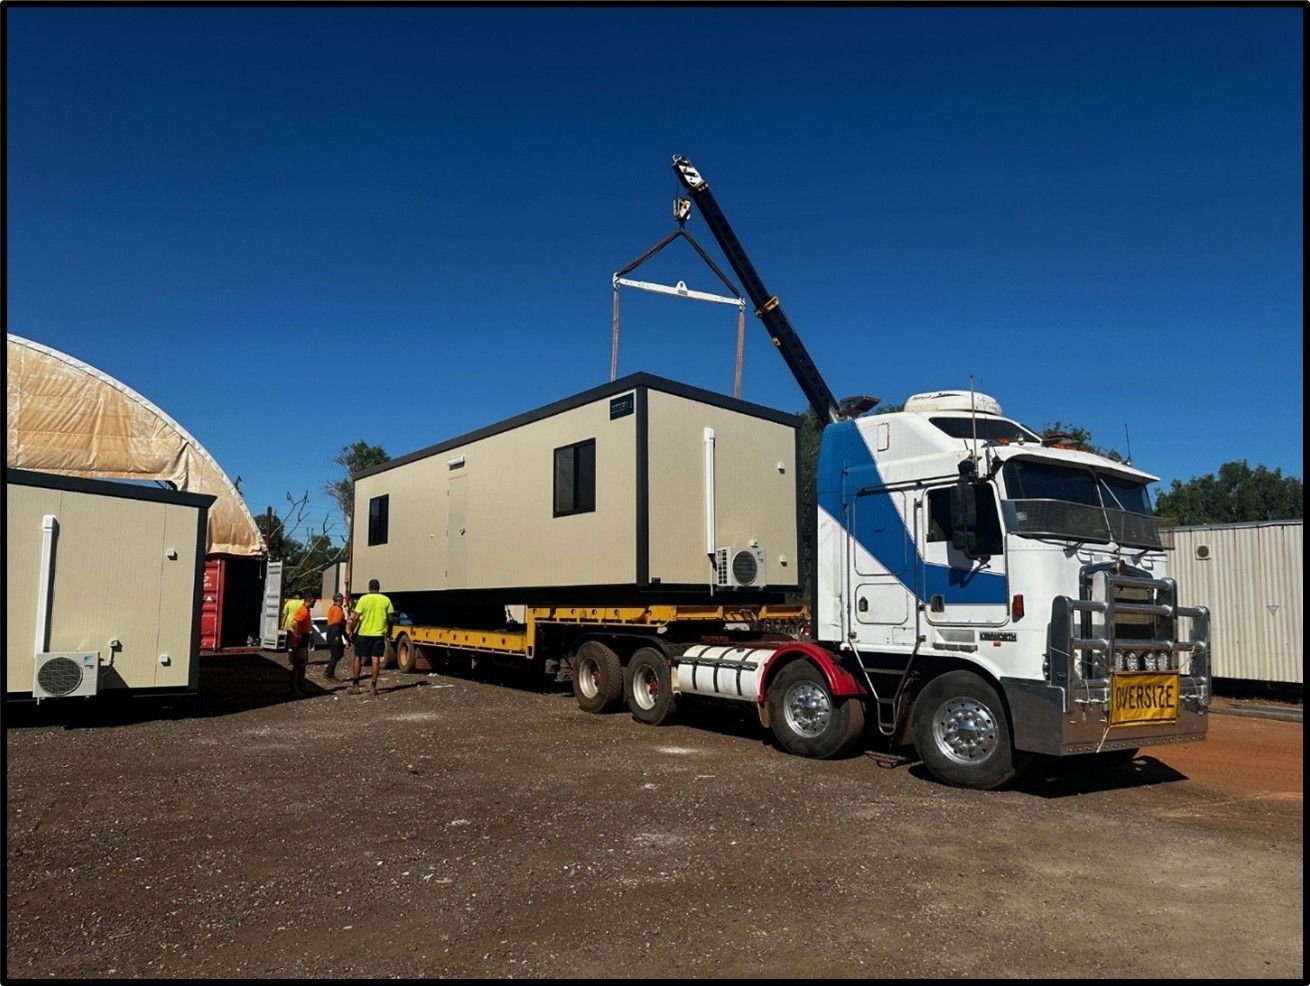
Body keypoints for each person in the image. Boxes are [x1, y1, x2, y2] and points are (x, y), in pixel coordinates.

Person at [348, 578, 395, 696]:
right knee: (375, 659)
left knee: (358, 657)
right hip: (378, 634)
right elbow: (391, 619)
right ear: (379, 588)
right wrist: (390, 631)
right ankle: (373, 687)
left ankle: (356, 685)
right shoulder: (386, 600)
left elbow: (356, 617)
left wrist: (351, 631)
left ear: (369, 588)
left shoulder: (363, 599)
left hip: (363, 633)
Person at [287, 594, 317, 697]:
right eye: (314, 602)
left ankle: (300, 686)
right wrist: (297, 635)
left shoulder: (306, 610)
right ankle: (295, 689)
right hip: (300, 640)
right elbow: (295, 623)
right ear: (311, 600)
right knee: (298, 665)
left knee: (302, 665)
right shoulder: (303, 610)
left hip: (303, 638)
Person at [324, 593, 347, 679]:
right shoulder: (337, 610)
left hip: (333, 633)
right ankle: (329, 674)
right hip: (334, 633)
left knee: (338, 653)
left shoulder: (333, 608)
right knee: (336, 654)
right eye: (342, 599)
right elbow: (336, 624)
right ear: (340, 600)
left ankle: (329, 672)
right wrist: (337, 636)